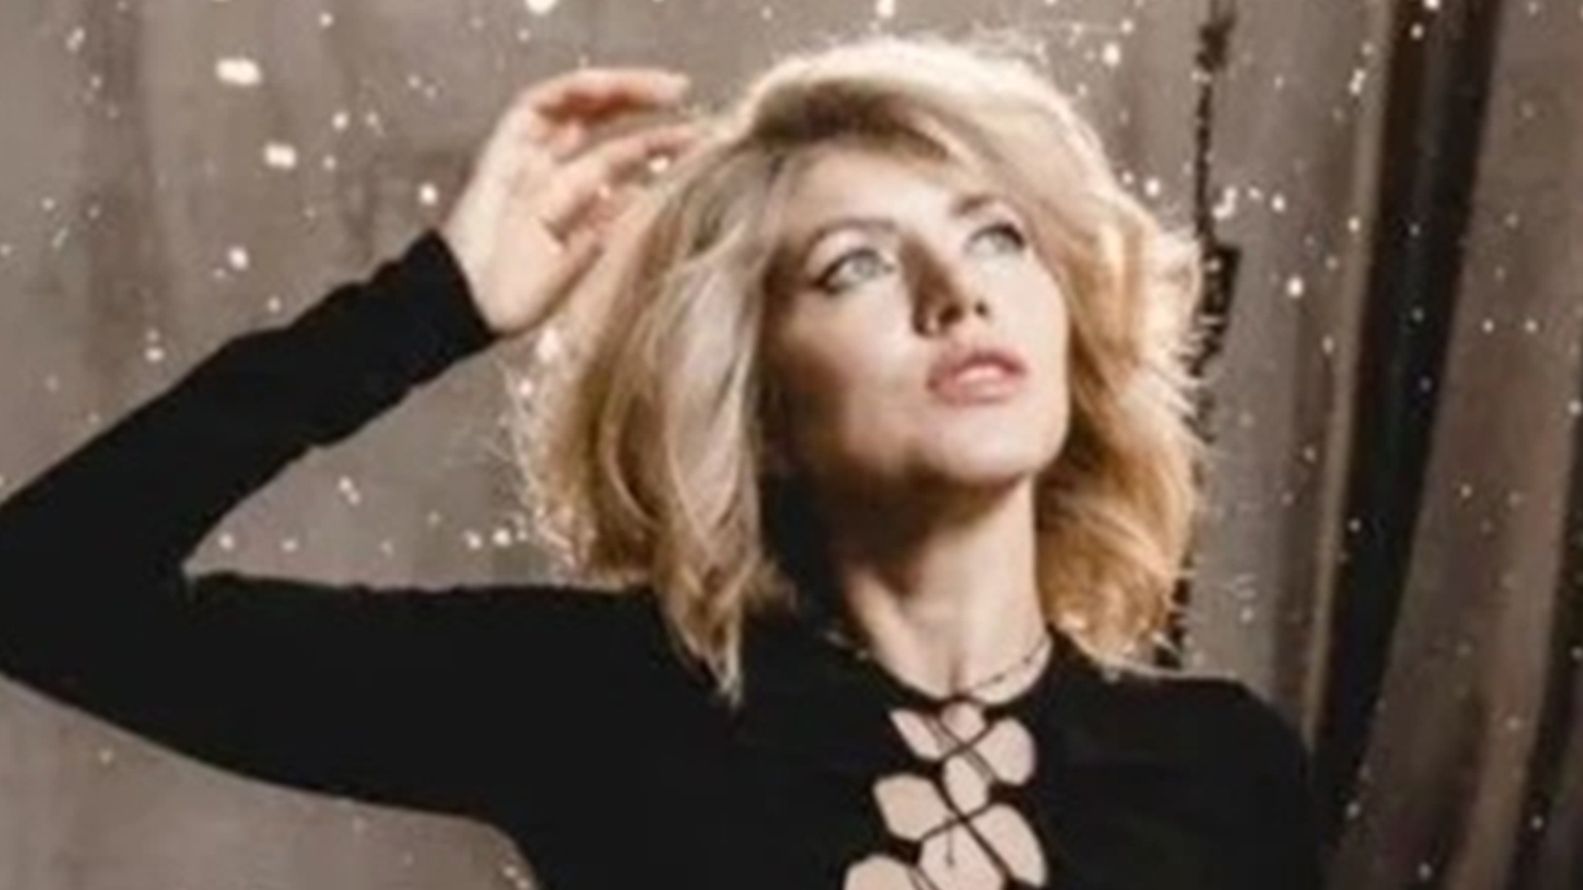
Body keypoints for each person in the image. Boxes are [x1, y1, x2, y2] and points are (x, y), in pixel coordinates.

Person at [0, 32, 1322, 890]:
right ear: (759, 404)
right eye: (854, 265)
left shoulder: (1221, 769)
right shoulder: (604, 702)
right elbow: (43, 589)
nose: (955, 293)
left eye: (997, 237)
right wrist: (430, 303)